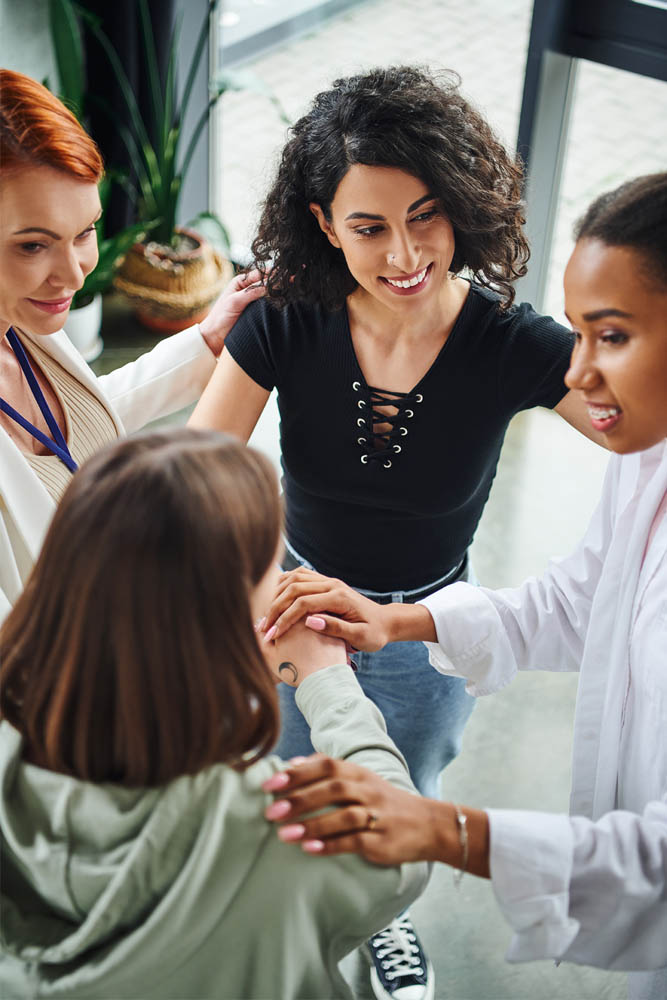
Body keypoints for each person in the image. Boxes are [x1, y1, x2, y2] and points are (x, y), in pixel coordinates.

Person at [189, 64, 604, 997]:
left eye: (426, 216)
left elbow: (641, 421)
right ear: (324, 223)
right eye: (368, 226)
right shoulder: (288, 318)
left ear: (462, 205)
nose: (404, 253)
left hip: (432, 633)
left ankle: (388, 920)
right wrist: (269, 599)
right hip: (291, 613)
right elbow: (195, 484)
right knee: (292, 791)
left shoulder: (512, 343)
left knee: (399, 793)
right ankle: (288, 926)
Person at [260, 173, 667, 1000]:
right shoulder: (646, 464)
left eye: (611, 337)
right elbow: (578, 603)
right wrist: (395, 623)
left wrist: (441, 828)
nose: (579, 375)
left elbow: (652, 866)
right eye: (580, 336)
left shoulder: (512, 352)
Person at [0, 427, 429, 1000]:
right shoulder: (270, 819)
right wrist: (330, 686)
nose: (283, 585)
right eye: (267, 570)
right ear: (216, 619)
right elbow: (406, 851)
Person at [0, 69, 264, 623]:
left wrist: (206, 341)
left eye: (85, 232)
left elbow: (63, 429)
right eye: (32, 246)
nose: (72, 275)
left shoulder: (21, 323)